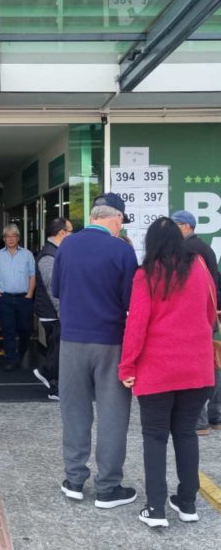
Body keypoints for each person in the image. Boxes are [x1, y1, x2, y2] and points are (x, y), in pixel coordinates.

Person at [119, 217, 217, 528]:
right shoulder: (200, 267)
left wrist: (127, 365)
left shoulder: (146, 274)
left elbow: (137, 325)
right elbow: (208, 313)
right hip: (197, 368)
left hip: (158, 369)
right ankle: (187, 503)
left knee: (155, 436)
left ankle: (156, 509)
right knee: (186, 433)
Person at [52, 193, 138, 508]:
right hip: (111, 342)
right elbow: (133, 302)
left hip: (72, 341)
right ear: (115, 218)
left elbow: (57, 289)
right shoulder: (122, 250)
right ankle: (108, 487)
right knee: (113, 413)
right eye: (121, 222)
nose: (120, 227)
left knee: (74, 410)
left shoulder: (67, 246)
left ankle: (74, 480)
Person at [171, 209, 221, 436]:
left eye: (175, 224)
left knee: (198, 366)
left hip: (195, 316)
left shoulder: (187, 250)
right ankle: (215, 416)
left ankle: (199, 420)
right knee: (213, 363)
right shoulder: (205, 248)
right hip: (208, 314)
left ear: (186, 226)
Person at [33, 218, 73, 400]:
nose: (72, 236)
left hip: (55, 312)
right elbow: (52, 288)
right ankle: (48, 375)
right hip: (52, 313)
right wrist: (62, 312)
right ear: (62, 233)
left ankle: (55, 387)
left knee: (57, 350)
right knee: (58, 350)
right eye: (70, 232)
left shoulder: (56, 252)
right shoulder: (48, 256)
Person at [0, 224, 36, 371]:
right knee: (8, 329)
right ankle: (10, 359)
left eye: (13, 236)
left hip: (24, 298)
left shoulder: (27, 254)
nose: (10, 239)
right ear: (3, 239)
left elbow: (32, 276)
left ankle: (21, 353)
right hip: (5, 299)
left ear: (18, 238)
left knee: (25, 329)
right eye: (7, 236)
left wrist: (29, 295)